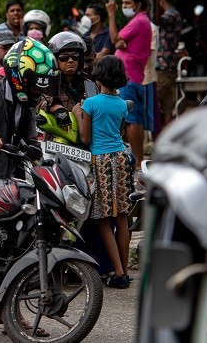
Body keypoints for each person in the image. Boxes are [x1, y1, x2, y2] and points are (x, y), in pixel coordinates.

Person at [72, 55, 133, 289]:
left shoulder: (91, 103)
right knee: (122, 218)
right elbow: (120, 132)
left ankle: (117, 273)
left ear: (99, 77)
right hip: (121, 158)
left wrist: (78, 113)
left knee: (104, 220)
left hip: (101, 161)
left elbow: (86, 138)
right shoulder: (121, 104)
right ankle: (125, 271)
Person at [0, 37, 58, 188]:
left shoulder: (26, 106)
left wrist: (45, 166)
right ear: (18, 77)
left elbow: (31, 142)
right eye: (35, 86)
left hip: (10, 184)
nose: (38, 91)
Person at [106, 0, 151, 169]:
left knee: (131, 120)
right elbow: (118, 41)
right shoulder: (140, 21)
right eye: (123, 3)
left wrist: (111, 14)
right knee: (134, 119)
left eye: (127, 3)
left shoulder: (139, 21)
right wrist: (119, 42)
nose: (123, 6)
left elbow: (114, 37)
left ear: (138, 4)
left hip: (130, 77)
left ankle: (138, 161)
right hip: (133, 77)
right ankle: (138, 160)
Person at [149, 0, 184, 128]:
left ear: (161, 1)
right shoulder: (174, 14)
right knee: (168, 104)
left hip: (163, 66)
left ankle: (156, 136)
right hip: (168, 65)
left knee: (154, 101)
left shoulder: (172, 15)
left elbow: (156, 20)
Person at [42, 31, 97, 112]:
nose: (70, 60)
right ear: (55, 61)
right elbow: (41, 103)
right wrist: (57, 108)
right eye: (64, 57)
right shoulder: (48, 84)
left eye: (75, 56)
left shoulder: (88, 84)